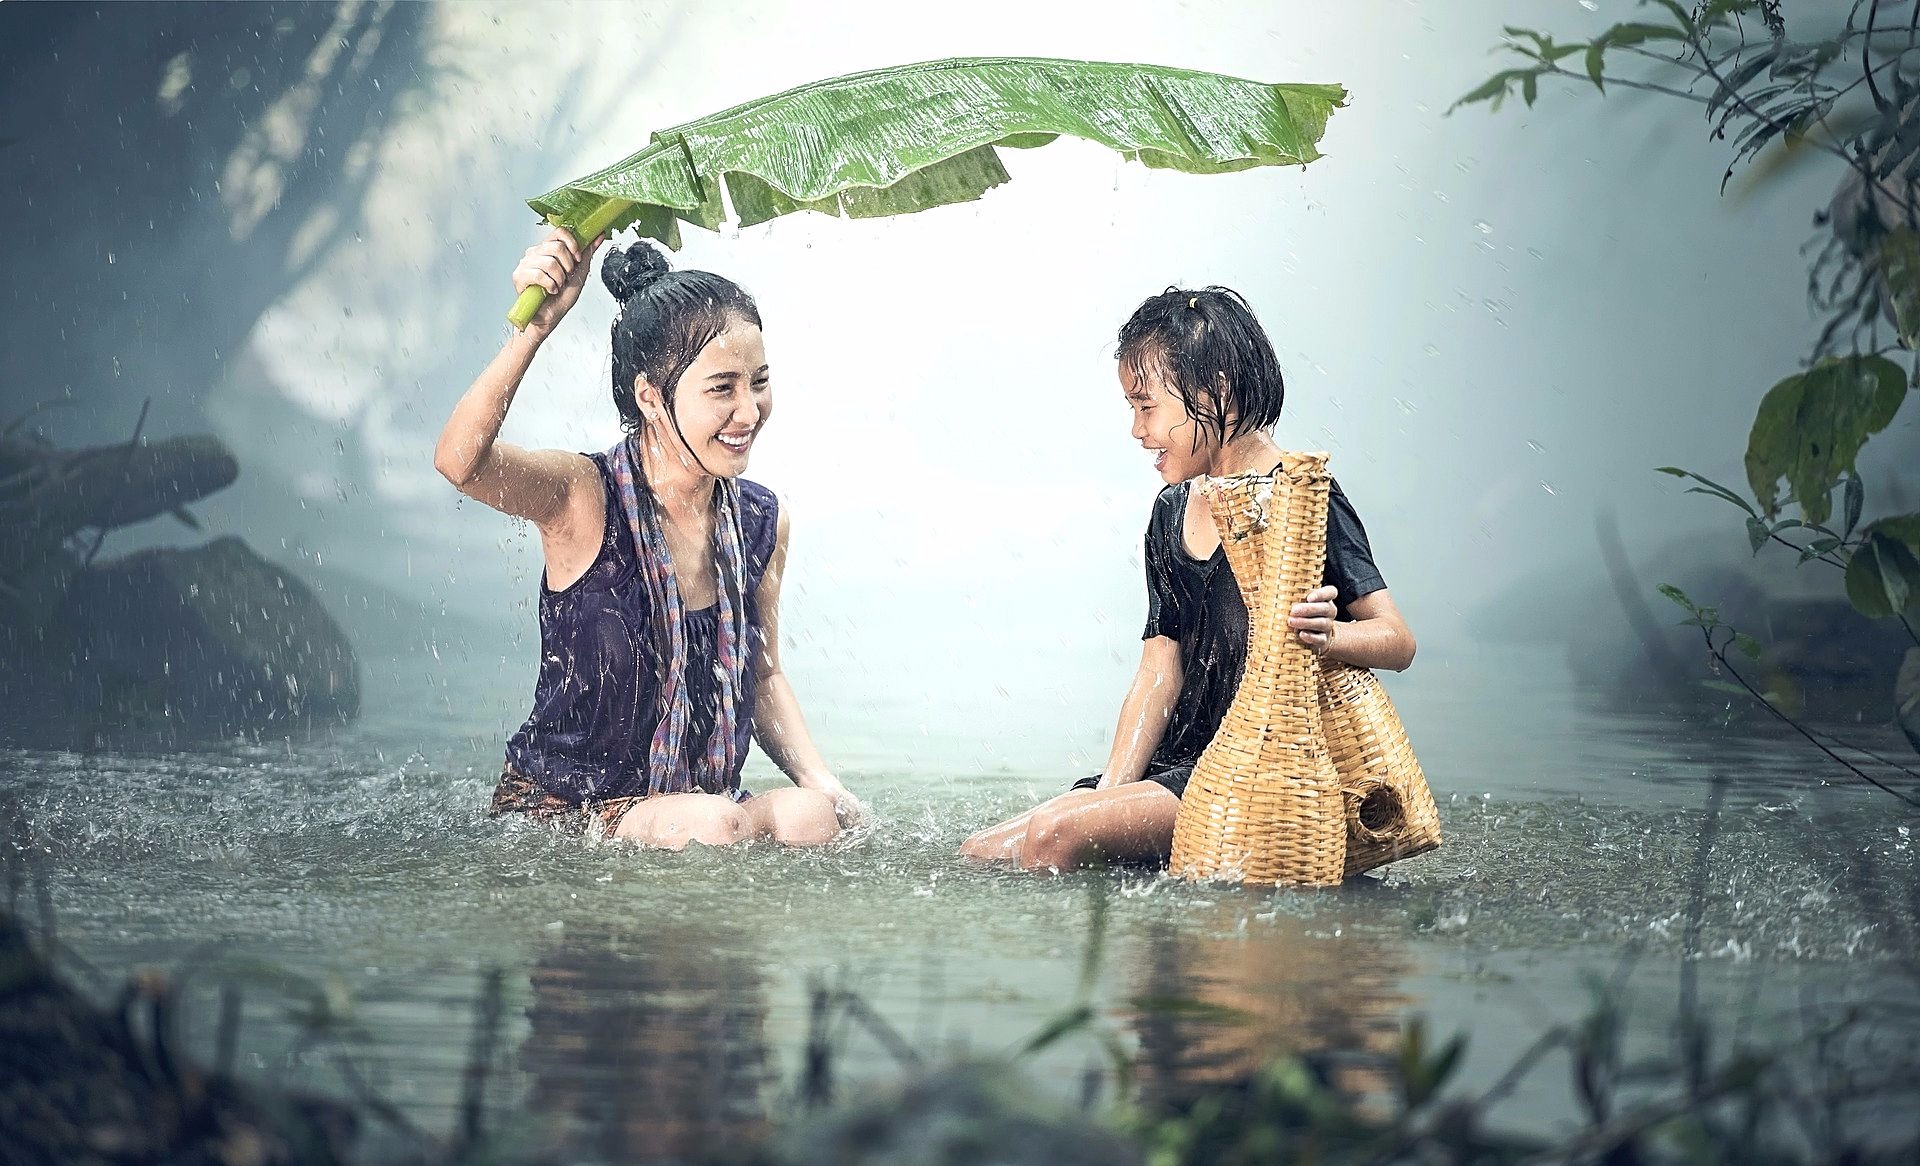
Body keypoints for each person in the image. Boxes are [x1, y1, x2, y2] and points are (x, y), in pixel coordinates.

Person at [959, 286, 1414, 872]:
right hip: (1173, 765)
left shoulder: (1300, 499)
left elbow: (1397, 640)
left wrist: (1331, 638)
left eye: (1146, 407)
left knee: (1053, 836)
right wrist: (1109, 795)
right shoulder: (1171, 510)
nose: (1135, 430)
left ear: (1216, 391)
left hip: (1246, 772)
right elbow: (1159, 671)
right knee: (983, 852)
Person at [435, 229, 858, 849]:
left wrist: (824, 781)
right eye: (722, 388)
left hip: (699, 807)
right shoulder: (584, 498)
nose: (749, 411)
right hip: (567, 809)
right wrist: (534, 329)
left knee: (810, 817)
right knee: (715, 823)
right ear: (650, 399)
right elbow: (461, 462)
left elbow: (761, 676)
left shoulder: (763, 520)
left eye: (759, 381)